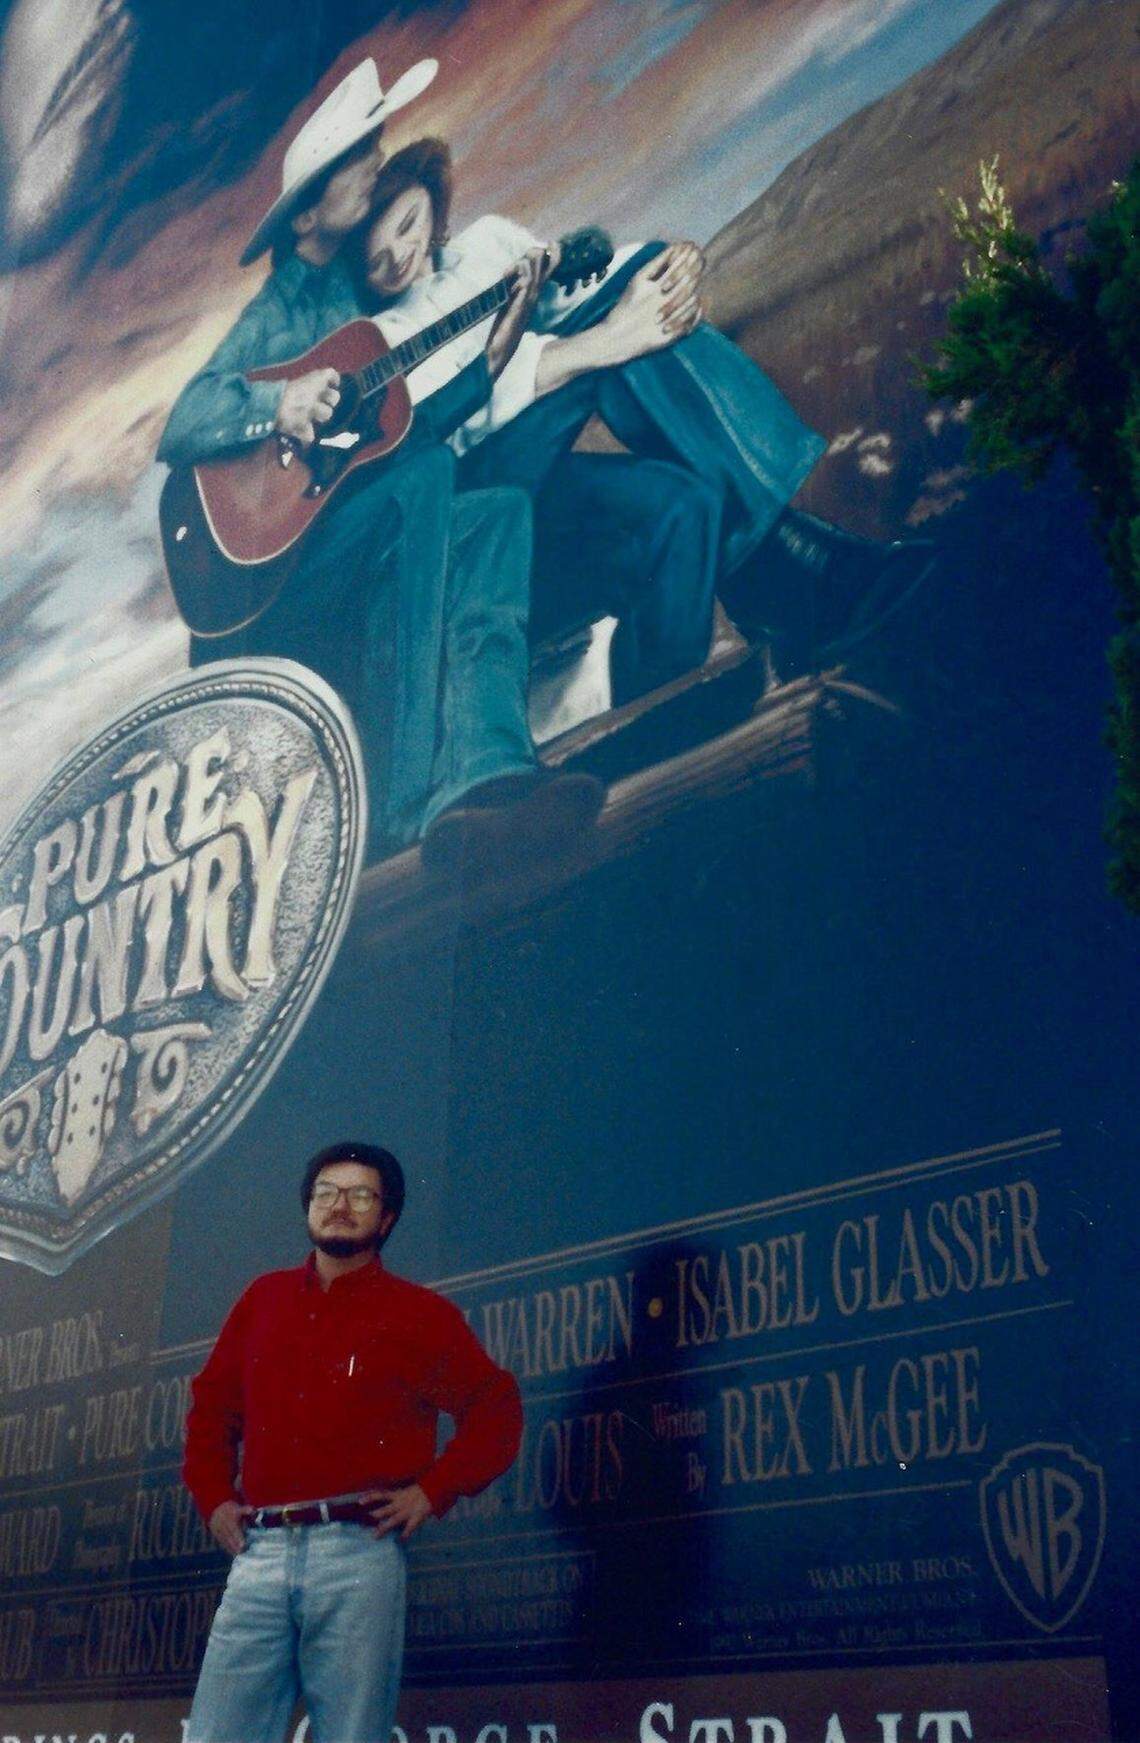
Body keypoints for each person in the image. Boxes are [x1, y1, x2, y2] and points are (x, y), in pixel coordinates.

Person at [157, 60, 603, 870]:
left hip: (346, 531)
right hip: (262, 582)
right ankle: (408, 800)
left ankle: (487, 773)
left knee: (496, 511)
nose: (374, 163)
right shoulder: (286, 305)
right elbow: (184, 420)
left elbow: (390, 435)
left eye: (372, 149)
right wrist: (279, 404)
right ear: (306, 217)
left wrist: (491, 360)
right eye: (355, 159)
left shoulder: (364, 296)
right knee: (426, 478)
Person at [356, 139, 931, 707]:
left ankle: (729, 648)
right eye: (377, 262)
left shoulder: (487, 242)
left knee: (685, 502)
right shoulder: (382, 337)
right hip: (482, 480)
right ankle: (808, 559)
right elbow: (462, 419)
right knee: (612, 352)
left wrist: (660, 267)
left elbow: (572, 294)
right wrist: (608, 340)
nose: (401, 254)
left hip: (547, 462)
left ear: (431, 199)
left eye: (408, 224)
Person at [182, 1139, 523, 1743]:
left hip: (358, 1555)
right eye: (326, 1192)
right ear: (308, 1206)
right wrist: (213, 1497)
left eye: (360, 1196)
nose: (340, 1206)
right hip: (259, 1552)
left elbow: (496, 1409)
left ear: (386, 1218)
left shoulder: (419, 1315)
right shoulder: (263, 1300)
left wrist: (432, 1491)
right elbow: (211, 1411)